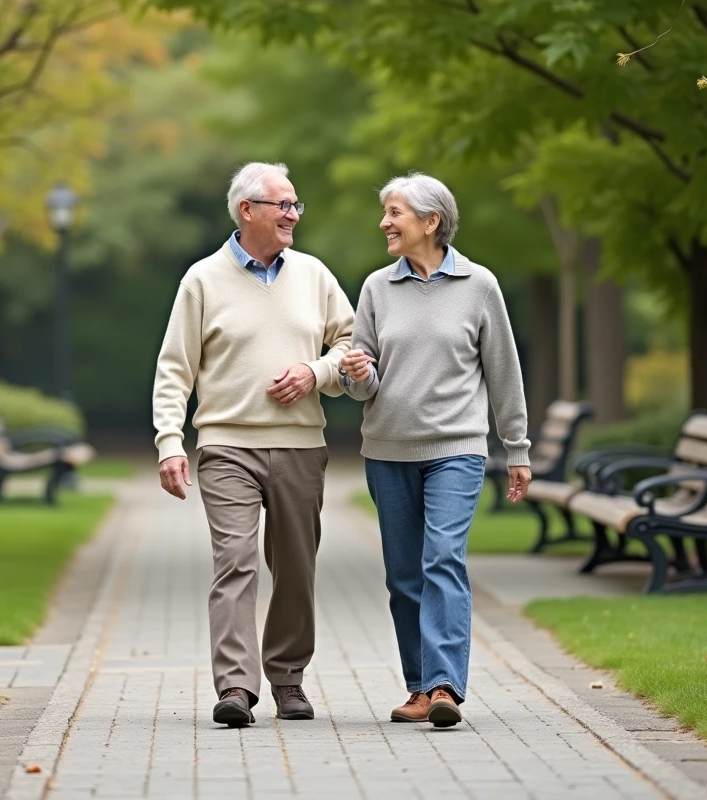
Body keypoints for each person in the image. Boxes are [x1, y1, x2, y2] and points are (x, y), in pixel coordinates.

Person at [152, 162, 354, 728]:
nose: (293, 215)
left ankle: (288, 678)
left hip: (300, 447)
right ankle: (236, 687)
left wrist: (316, 372)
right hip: (226, 447)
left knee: (295, 567)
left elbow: (353, 343)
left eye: (295, 205)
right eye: (283, 205)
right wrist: (170, 442)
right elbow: (174, 369)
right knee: (235, 563)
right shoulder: (202, 280)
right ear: (248, 210)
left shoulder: (314, 275)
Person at [339, 172, 532, 728]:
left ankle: (445, 684)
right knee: (404, 576)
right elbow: (362, 381)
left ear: (431, 221)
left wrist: (517, 448)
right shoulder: (377, 288)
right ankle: (420, 687)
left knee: (442, 558)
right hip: (388, 449)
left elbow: (504, 373)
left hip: (456, 448)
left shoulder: (479, 285)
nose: (384, 222)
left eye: (394, 213)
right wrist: (358, 374)